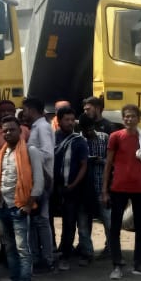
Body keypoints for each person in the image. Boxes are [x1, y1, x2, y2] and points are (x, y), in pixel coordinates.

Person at [0, 117, 44, 281]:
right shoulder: (1, 154)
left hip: (19, 207)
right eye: (4, 131)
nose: (7, 133)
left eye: (11, 130)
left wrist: (28, 205)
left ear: (20, 131)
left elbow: (39, 182)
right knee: (9, 248)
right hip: (3, 207)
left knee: (23, 249)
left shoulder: (30, 151)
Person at [102, 104, 141, 280]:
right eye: (126, 116)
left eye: (132, 116)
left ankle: (138, 264)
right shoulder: (115, 137)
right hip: (118, 188)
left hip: (139, 188)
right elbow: (108, 165)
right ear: (123, 118)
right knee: (115, 227)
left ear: (138, 119)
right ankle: (117, 265)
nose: (129, 119)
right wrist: (104, 190)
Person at [52, 104, 94, 268]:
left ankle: (76, 255)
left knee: (76, 224)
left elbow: (84, 166)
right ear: (59, 121)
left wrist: (73, 184)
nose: (70, 123)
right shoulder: (53, 138)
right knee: (62, 223)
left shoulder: (79, 140)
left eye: (72, 120)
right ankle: (62, 251)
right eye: (66, 120)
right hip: (58, 188)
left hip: (76, 190)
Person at [22, 97, 57, 271]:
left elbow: (48, 153)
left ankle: (47, 260)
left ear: (31, 109)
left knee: (41, 221)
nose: (23, 113)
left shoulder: (42, 127)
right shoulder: (38, 126)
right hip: (39, 178)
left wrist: (30, 155)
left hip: (42, 178)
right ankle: (40, 258)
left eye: (24, 110)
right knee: (37, 221)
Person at [81, 113, 110, 243]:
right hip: (85, 190)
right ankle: (87, 250)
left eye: (90, 129)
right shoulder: (79, 140)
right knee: (84, 225)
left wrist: (101, 161)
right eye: (85, 130)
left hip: (101, 187)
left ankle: (110, 248)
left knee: (108, 222)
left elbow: (112, 161)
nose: (88, 132)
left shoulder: (104, 138)